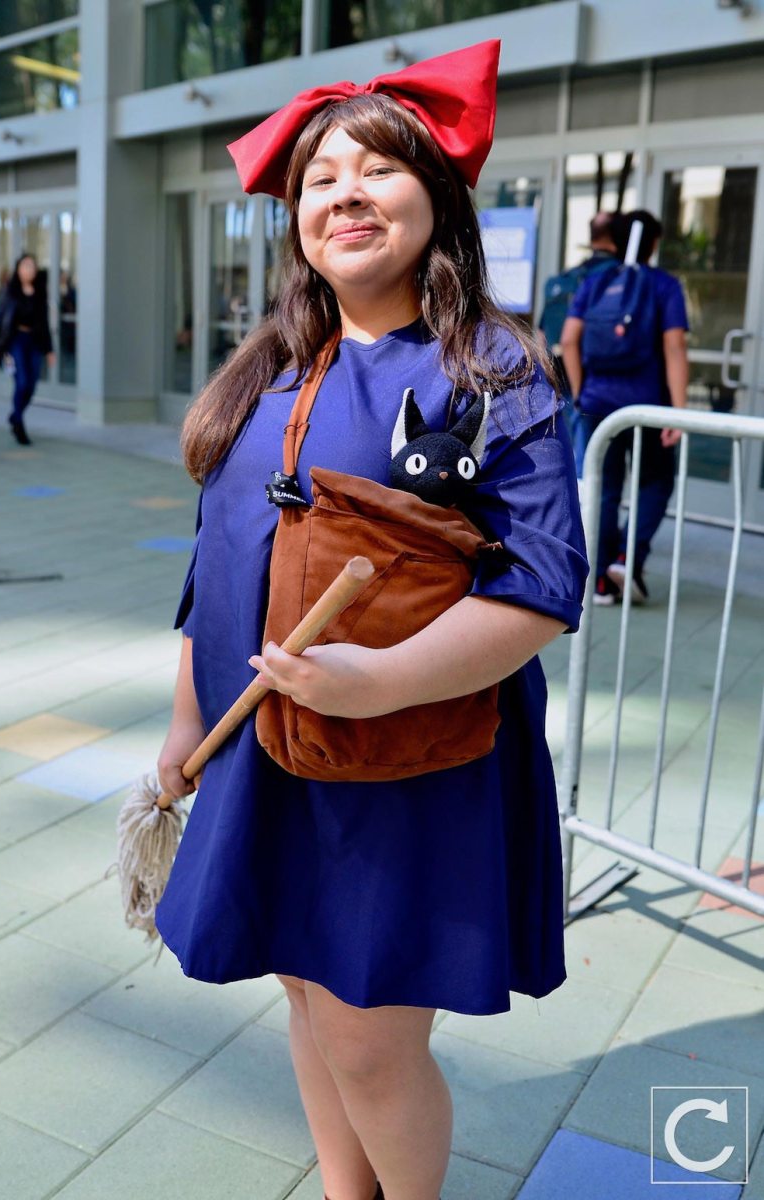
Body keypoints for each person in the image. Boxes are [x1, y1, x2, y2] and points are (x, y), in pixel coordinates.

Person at [154, 41, 588, 1200]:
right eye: (319, 179)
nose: (344, 194)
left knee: (368, 1036)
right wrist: (184, 721)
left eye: (375, 169)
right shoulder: (271, 370)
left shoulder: (490, 368)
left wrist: (385, 681)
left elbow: (546, 579)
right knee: (302, 988)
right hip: (262, 744)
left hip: (405, 762)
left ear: (436, 196)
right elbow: (216, 567)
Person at [560, 210, 689, 605]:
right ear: (654, 243)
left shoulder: (596, 283)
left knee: (604, 490)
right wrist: (680, 410)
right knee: (655, 482)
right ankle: (626, 562)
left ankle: (599, 580)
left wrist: (582, 394)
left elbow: (568, 340)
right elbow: (674, 347)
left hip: (600, 404)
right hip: (650, 407)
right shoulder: (664, 285)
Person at [536, 211, 619, 411]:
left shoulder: (567, 278)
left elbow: (541, 334)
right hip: (596, 385)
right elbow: (569, 340)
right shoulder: (617, 278)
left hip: (559, 377)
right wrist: (579, 389)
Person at [0, 253, 55, 445]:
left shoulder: (39, 293)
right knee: (21, 381)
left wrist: (49, 350)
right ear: (18, 269)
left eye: (32, 266)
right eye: (25, 266)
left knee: (31, 384)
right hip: (14, 342)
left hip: (35, 341)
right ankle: (19, 424)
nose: (29, 270)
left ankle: (15, 415)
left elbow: (44, 322)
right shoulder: (11, 292)